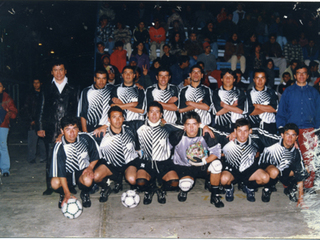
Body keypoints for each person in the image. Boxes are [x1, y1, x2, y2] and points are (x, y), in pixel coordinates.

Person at [123, 102, 182, 204]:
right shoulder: (138, 125)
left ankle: (161, 190)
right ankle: (149, 190)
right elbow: (119, 123)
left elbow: (187, 126)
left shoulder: (167, 126)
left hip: (163, 163)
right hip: (146, 162)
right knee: (140, 181)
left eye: (157, 112)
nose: (154, 115)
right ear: (147, 114)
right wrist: (104, 126)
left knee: (174, 183)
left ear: (161, 115)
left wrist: (205, 127)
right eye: (151, 112)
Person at [37, 60, 80, 195]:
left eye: (61, 69)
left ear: (65, 71)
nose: (58, 73)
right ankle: (50, 186)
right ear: (52, 72)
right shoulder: (46, 88)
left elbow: (78, 110)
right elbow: (41, 109)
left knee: (70, 157)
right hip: (51, 128)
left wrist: (77, 128)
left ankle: (70, 184)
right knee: (51, 158)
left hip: (69, 129)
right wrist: (40, 126)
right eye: (55, 70)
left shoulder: (73, 87)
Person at [276, 63, 320, 192]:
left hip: (309, 131)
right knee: (288, 159)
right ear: (295, 76)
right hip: (291, 131)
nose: (301, 76)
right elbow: (281, 112)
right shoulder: (288, 92)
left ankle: (308, 185)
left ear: (307, 75)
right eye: (299, 73)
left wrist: (317, 131)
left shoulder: (314, 92)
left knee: (309, 159)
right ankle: (288, 184)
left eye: (304, 73)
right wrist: (281, 130)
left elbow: (318, 112)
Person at [169, 111, 224, 208]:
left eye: (194, 124)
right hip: (184, 166)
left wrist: (203, 161)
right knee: (185, 185)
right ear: (184, 126)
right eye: (188, 124)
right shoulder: (177, 135)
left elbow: (216, 153)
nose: (191, 128)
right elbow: (166, 150)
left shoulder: (206, 134)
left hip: (202, 166)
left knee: (217, 165)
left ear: (199, 125)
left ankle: (215, 195)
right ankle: (183, 190)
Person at [215, 118, 276, 202]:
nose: (242, 134)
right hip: (232, 170)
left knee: (265, 178)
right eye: (239, 131)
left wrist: (291, 141)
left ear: (250, 131)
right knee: (223, 179)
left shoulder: (256, 139)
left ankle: (250, 187)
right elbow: (213, 131)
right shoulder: (227, 138)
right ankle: (229, 188)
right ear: (235, 131)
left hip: (250, 170)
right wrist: (203, 126)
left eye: (245, 131)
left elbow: (275, 138)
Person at [50, 116, 100, 209]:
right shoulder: (59, 146)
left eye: (74, 128)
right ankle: (63, 194)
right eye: (67, 129)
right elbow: (60, 172)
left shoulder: (85, 138)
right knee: (54, 182)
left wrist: (90, 167)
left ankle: (85, 193)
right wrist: (67, 193)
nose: (72, 133)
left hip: (82, 172)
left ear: (78, 129)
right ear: (62, 131)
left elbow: (96, 154)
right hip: (66, 175)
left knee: (88, 179)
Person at [92, 106, 140, 202]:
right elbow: (83, 137)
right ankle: (106, 187)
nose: (117, 120)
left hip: (129, 163)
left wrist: (162, 122)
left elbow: (150, 122)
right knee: (95, 176)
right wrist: (62, 135)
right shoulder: (101, 134)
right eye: (114, 117)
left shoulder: (130, 129)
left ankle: (128, 182)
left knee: (132, 179)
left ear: (123, 118)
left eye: (120, 117)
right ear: (108, 119)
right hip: (111, 165)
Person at [258, 123, 309, 205]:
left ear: (296, 137)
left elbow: (300, 172)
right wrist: (235, 134)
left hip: (282, 170)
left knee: (306, 170)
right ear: (282, 135)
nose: (289, 138)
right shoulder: (273, 140)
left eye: (293, 135)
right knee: (274, 172)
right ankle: (267, 189)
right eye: (287, 134)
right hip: (267, 167)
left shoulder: (296, 151)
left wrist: (301, 197)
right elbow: (259, 131)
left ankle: (290, 188)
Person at [77, 69, 114, 133]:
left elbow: (125, 86)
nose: (101, 81)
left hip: (106, 128)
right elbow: (83, 113)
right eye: (98, 78)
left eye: (104, 78)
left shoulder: (112, 89)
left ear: (107, 80)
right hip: (90, 128)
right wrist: (85, 132)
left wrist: (136, 85)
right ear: (94, 79)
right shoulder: (86, 91)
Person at [21, 78, 46, 164]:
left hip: (42, 121)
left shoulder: (44, 94)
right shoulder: (29, 95)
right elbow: (26, 108)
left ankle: (44, 157)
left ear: (41, 83)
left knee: (43, 140)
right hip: (33, 121)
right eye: (34, 83)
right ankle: (31, 158)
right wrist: (31, 120)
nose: (36, 84)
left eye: (37, 83)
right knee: (32, 140)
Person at [247, 69, 278, 134]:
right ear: (254, 80)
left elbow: (275, 109)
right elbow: (250, 111)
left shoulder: (272, 92)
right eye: (257, 78)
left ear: (266, 79)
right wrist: (268, 107)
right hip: (254, 127)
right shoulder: (248, 93)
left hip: (270, 127)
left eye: (262, 78)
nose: (260, 81)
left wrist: (257, 106)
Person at [0, 81, 18, 177]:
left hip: (3, 126)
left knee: (3, 146)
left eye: (0, 86)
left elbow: (14, 113)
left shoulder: (7, 98)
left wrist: (9, 112)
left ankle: (5, 169)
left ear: (3, 88)